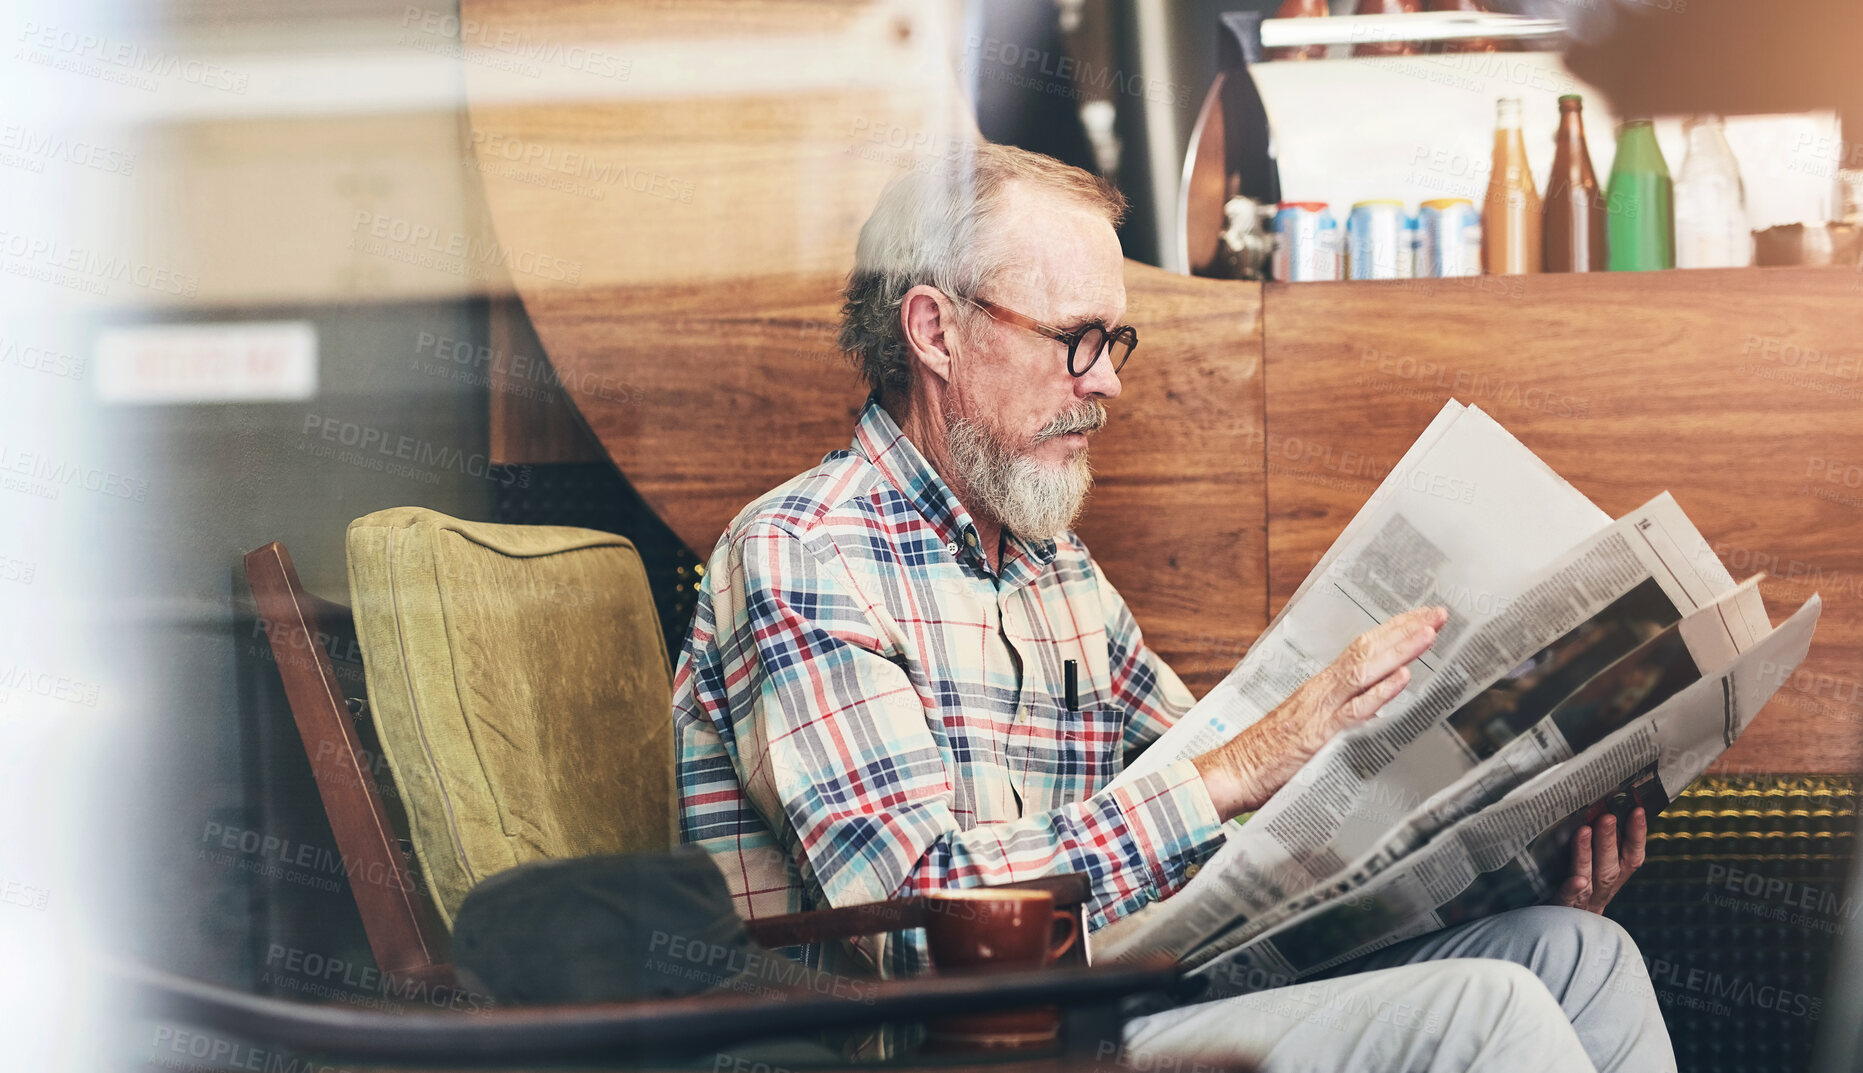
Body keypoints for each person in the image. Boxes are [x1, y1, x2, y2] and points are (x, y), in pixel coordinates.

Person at [672, 142, 1674, 1072]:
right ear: (934, 329)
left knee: (1578, 950)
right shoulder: (804, 553)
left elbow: (1252, 836)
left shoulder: (1054, 566)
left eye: (1117, 340)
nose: (1108, 382)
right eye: (1077, 338)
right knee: (1487, 1013)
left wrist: (1491, 857)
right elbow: (914, 928)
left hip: (1121, 1001)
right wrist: (1238, 766)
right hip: (953, 1047)